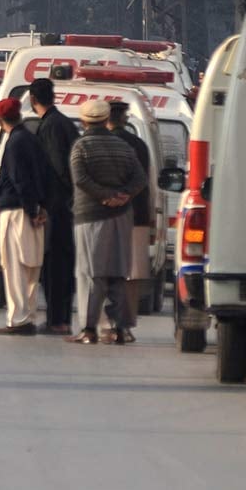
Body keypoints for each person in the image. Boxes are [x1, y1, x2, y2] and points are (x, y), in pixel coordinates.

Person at [66, 99, 147, 345]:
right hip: (122, 216)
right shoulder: (124, 147)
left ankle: (89, 329)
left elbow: (80, 179)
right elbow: (140, 178)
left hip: (91, 216)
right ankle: (119, 329)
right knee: (118, 272)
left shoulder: (81, 147)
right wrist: (123, 195)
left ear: (84, 121)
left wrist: (106, 196)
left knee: (91, 274)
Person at [0, 97, 50, 335]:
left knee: (14, 266)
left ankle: (18, 319)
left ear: (0, 119)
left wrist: (31, 209)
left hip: (17, 211)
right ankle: (28, 315)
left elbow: (19, 179)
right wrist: (40, 207)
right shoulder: (31, 139)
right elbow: (42, 176)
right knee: (31, 267)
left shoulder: (14, 142)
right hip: (31, 209)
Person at [29, 77, 80, 335]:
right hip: (66, 206)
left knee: (54, 265)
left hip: (57, 207)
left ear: (32, 99)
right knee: (61, 263)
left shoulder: (51, 126)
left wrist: (48, 203)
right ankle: (59, 319)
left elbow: (58, 167)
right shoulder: (63, 123)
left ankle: (57, 320)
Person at [106, 100, 154, 344]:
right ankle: (126, 324)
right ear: (125, 119)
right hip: (137, 216)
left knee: (106, 270)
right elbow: (147, 183)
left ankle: (108, 324)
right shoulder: (139, 145)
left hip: (107, 216)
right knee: (131, 275)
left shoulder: (102, 145)